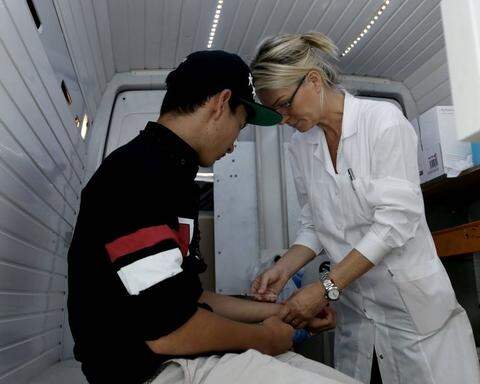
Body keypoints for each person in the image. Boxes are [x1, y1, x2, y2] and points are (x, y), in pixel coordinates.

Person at [67, 50, 358, 384]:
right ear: (221, 103)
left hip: (179, 355)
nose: (234, 145)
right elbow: (167, 329)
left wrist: (283, 313)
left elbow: (191, 299)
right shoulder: (136, 174)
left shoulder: (171, 175)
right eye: (241, 124)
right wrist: (264, 338)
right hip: (149, 370)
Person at [249, 32, 480, 384]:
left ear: (313, 80)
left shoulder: (381, 121)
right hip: (359, 313)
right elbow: (314, 223)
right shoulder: (299, 145)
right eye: (274, 110)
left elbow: (395, 223)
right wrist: (284, 267)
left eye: (284, 104)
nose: (282, 118)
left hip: (412, 311)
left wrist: (326, 287)